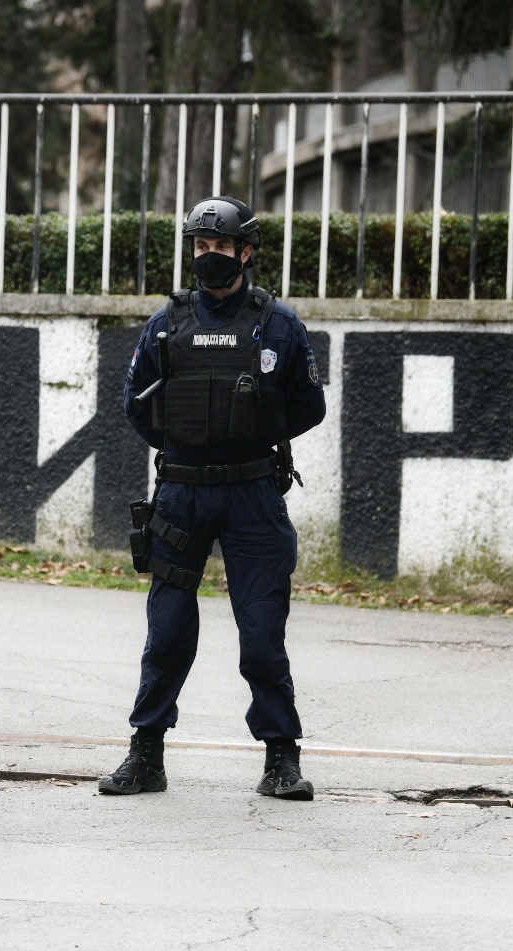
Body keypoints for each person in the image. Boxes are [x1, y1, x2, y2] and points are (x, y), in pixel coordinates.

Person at [103, 195, 327, 801]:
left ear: (245, 252)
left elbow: (309, 406)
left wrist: (249, 433)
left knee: (262, 634)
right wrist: (191, 444)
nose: (210, 256)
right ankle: (146, 755)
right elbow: (135, 404)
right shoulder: (166, 322)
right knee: (167, 633)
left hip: (253, 493)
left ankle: (281, 759)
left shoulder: (277, 324)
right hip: (182, 494)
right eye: (201, 247)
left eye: (221, 247)